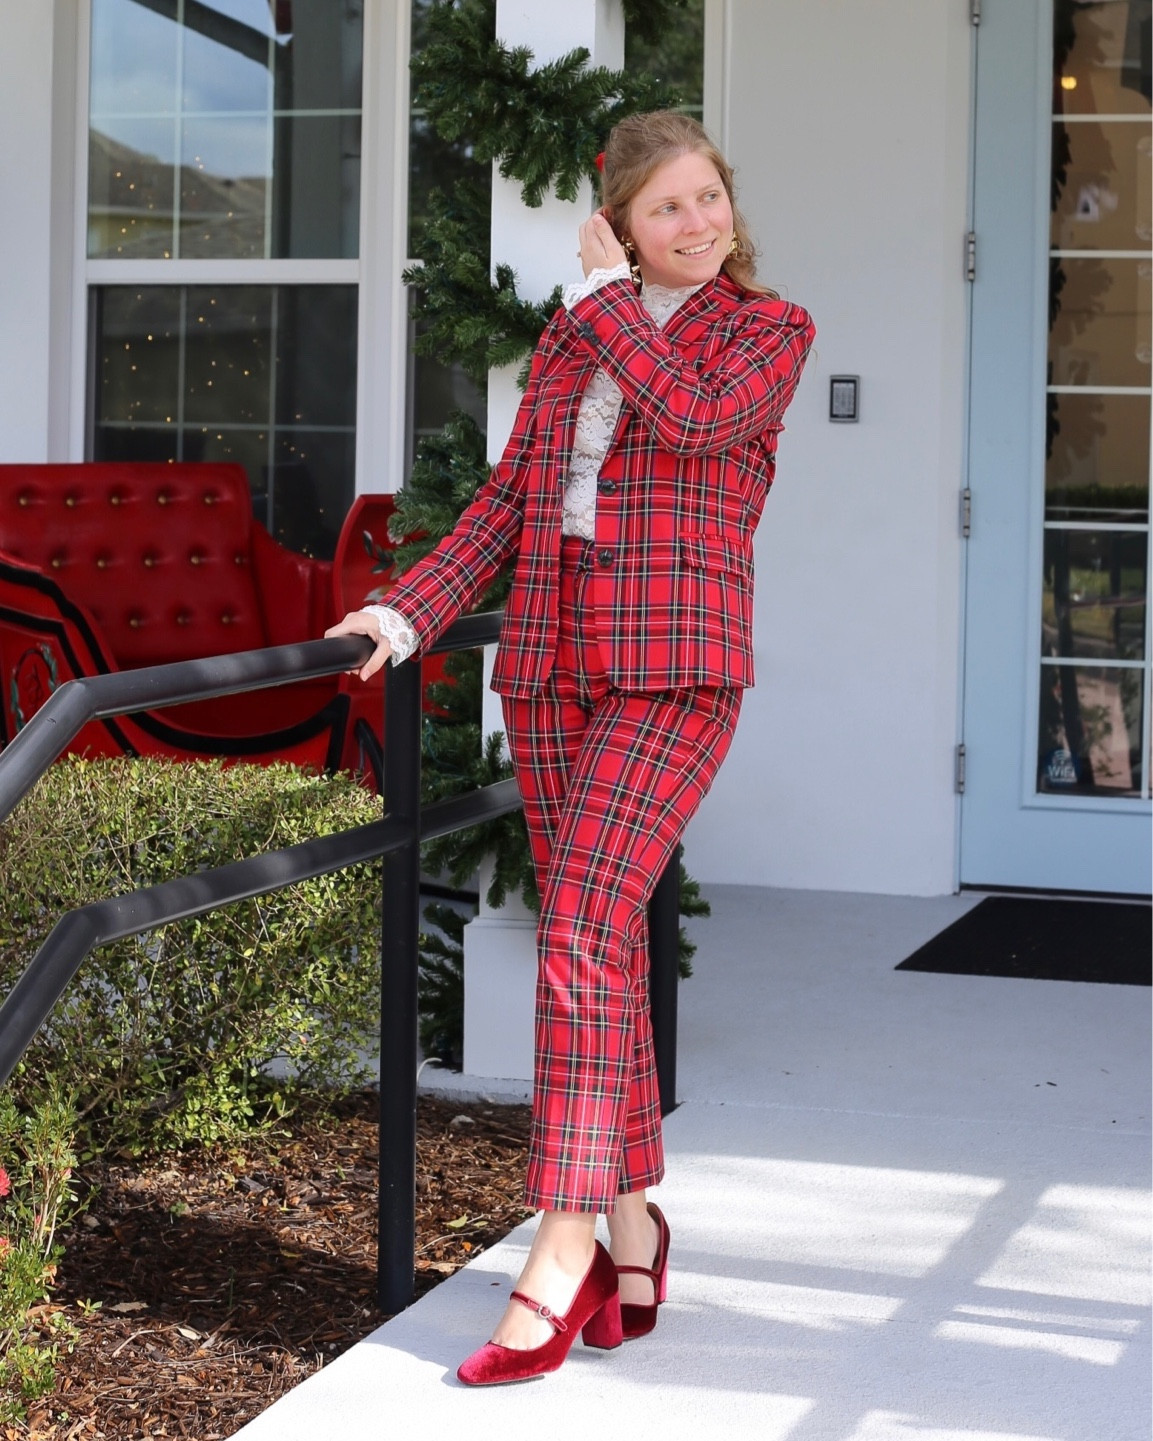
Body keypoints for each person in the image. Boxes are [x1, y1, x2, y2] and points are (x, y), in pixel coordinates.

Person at [326, 110, 815, 1385]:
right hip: (551, 669)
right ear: (622, 224)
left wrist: (603, 306)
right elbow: (507, 502)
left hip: (673, 670)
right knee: (595, 939)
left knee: (587, 931)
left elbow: (696, 422)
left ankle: (562, 1246)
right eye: (667, 207)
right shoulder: (575, 334)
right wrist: (405, 611)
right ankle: (637, 1219)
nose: (697, 222)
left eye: (708, 196)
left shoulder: (764, 331)